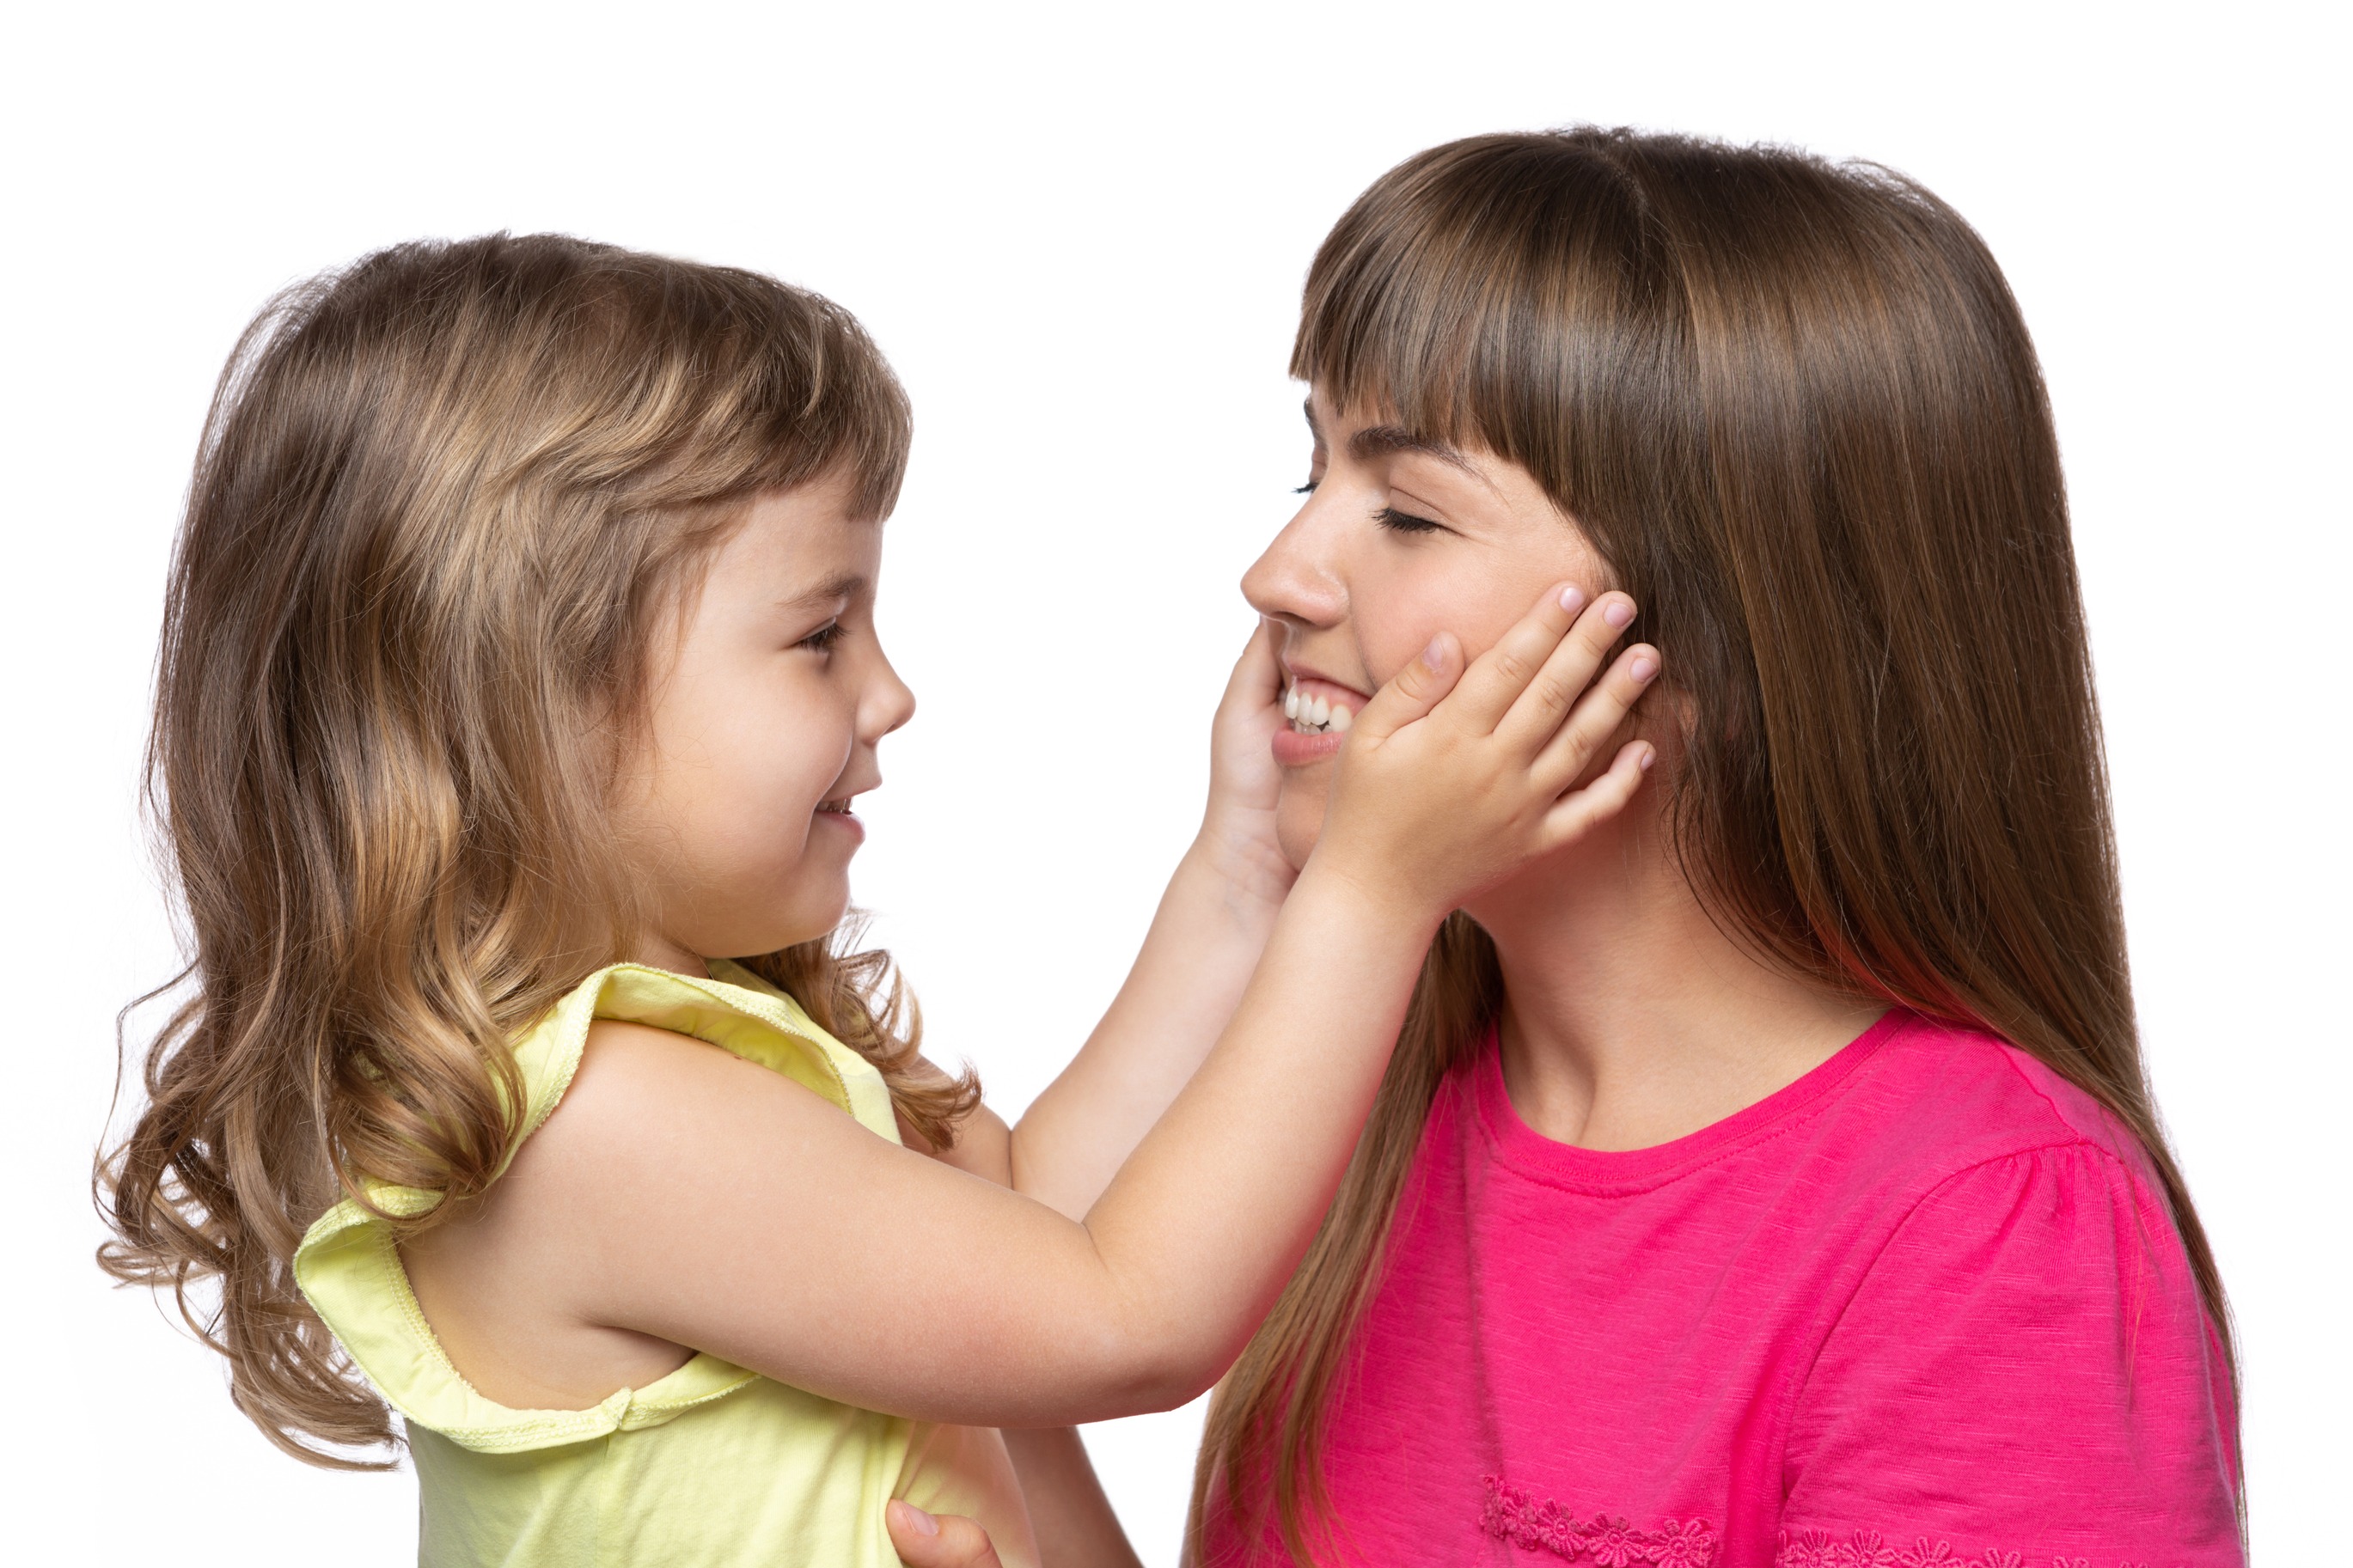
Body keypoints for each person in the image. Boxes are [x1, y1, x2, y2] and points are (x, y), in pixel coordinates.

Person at [95, 233, 1665, 1567]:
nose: (890, 691)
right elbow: (1122, 1314)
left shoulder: (700, 1064)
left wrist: (1247, 874)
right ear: (534, 703)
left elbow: (1034, 1232)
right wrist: (1378, 898)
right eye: (817, 635)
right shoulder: (590, 1130)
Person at [901, 130, 2246, 1568]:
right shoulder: (1354, 1090)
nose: (1277, 573)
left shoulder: (1986, 1235)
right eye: (1310, 478)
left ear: (1727, 643)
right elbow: (1003, 1302)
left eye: (1407, 509)